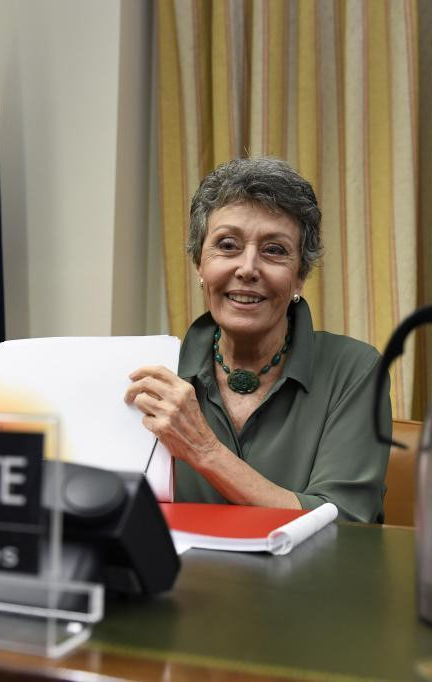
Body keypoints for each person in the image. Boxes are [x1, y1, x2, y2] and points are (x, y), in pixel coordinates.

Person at [125, 158, 391, 523]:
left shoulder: (355, 369)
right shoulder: (152, 375)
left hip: (305, 581)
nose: (248, 268)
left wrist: (204, 450)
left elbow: (344, 525)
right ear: (200, 265)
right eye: (228, 245)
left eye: (275, 250)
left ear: (300, 276)